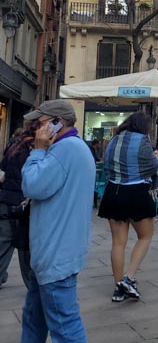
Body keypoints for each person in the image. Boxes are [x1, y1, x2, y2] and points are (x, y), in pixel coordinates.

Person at [20, 99, 96, 342]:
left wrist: (38, 151)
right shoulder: (76, 147)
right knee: (35, 318)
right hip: (56, 250)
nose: (36, 129)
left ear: (57, 123)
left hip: (55, 252)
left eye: (40, 123)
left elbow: (32, 185)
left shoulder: (64, 149)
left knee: (65, 327)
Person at [98, 112, 158, 302]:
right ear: (144, 126)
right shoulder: (143, 141)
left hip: (113, 192)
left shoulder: (113, 140)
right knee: (145, 236)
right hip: (136, 192)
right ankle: (129, 277)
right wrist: (156, 158)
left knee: (118, 243)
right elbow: (153, 166)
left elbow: (106, 165)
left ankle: (118, 287)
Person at [0, 117, 39, 289]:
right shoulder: (36, 149)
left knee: (4, 241)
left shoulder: (13, 146)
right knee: (25, 247)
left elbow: (1, 174)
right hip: (23, 202)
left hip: (5, 200)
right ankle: (32, 285)